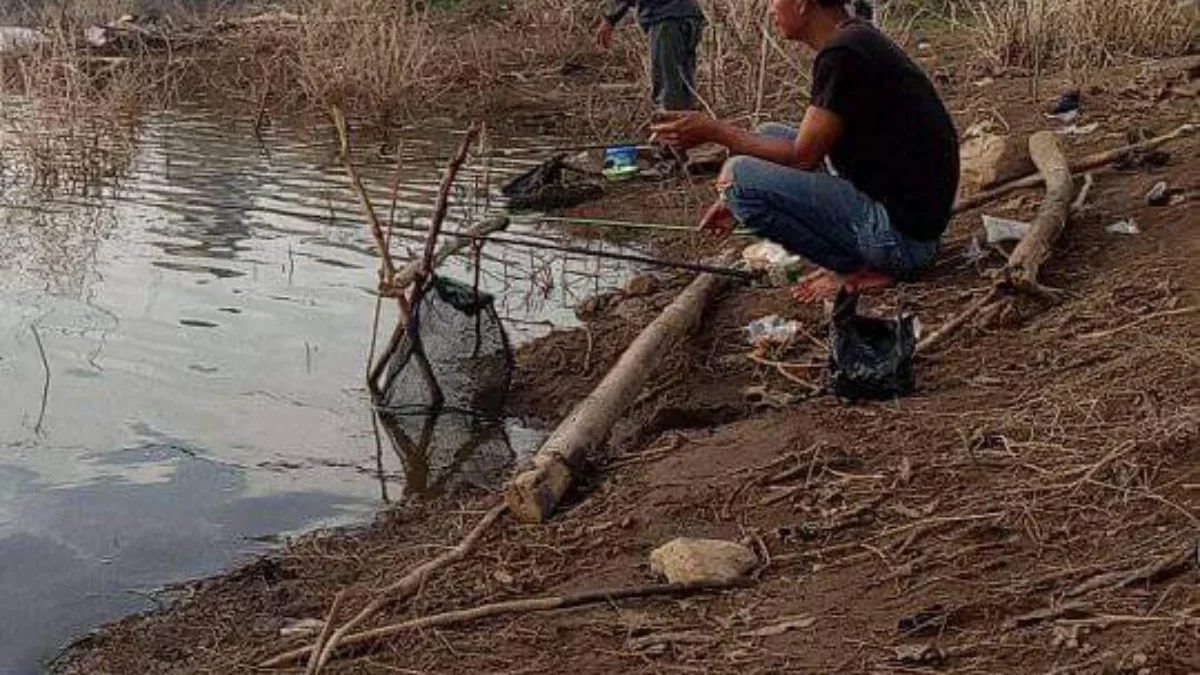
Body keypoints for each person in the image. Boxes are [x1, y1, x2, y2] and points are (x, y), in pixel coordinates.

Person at [650, 0, 959, 302]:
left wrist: (713, 131)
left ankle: (859, 267)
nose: (770, 9)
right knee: (767, 135)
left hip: (901, 242)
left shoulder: (842, 54)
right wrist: (728, 200)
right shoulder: (853, 39)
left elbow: (802, 157)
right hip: (911, 228)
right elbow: (809, 147)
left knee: (739, 179)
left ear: (801, 4)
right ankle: (870, 259)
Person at [596, 0, 706, 113]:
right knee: (682, 85)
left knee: (667, 88)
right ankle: (685, 126)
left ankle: (670, 126)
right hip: (687, 15)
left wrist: (609, 18)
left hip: (668, 17)